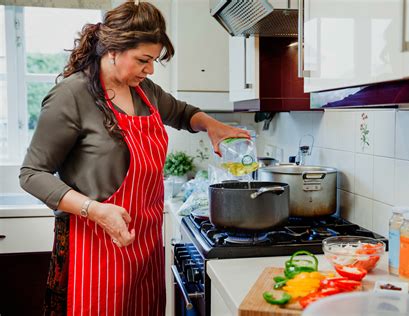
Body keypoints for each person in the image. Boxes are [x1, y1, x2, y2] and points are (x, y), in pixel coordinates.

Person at [19, 1, 249, 315]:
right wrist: (97, 211)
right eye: (143, 60)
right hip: (96, 247)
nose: (150, 69)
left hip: (146, 246)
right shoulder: (72, 96)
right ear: (112, 50)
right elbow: (32, 174)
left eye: (153, 61)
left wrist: (211, 125)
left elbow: (182, 113)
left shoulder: (146, 91)